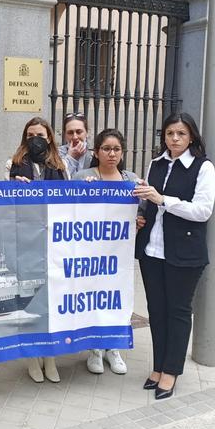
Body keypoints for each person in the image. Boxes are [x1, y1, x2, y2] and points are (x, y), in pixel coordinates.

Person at [133, 112, 215, 400]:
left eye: (181, 133)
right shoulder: (156, 163)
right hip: (151, 249)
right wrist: (141, 214)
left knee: (178, 311)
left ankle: (171, 372)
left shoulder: (203, 167)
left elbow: (202, 211)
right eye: (170, 133)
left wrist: (163, 200)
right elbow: (147, 201)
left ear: (191, 136)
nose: (175, 139)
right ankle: (158, 367)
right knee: (157, 311)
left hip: (184, 251)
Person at [7, 116, 67, 383]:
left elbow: (69, 199)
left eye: (40, 134)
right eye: (30, 135)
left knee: (51, 297)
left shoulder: (59, 165)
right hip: (27, 241)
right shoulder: (16, 164)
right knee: (31, 297)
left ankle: (50, 356)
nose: (35, 139)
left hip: (53, 240)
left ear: (49, 137)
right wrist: (14, 188)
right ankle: (32, 356)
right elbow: (7, 205)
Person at [73, 128, 136, 376]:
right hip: (90, 254)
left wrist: (139, 220)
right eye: (106, 149)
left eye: (116, 149)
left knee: (117, 299)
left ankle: (114, 348)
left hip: (118, 255)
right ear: (96, 152)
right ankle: (95, 349)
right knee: (93, 299)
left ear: (122, 152)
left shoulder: (130, 178)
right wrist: (83, 192)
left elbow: (140, 211)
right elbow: (69, 212)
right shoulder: (83, 176)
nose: (111, 154)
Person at [58, 112, 94, 177]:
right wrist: (71, 157)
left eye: (79, 132)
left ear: (87, 133)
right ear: (65, 135)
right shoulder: (56, 154)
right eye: (70, 133)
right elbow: (60, 179)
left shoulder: (94, 156)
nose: (75, 137)